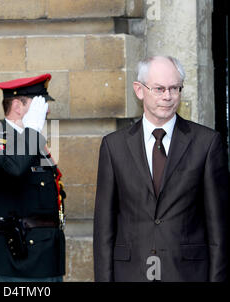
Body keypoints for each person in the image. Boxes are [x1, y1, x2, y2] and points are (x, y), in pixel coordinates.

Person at [93, 55, 229, 282]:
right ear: (139, 90)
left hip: (187, 274)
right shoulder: (113, 147)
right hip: (131, 273)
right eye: (159, 89)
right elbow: (104, 229)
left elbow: (219, 230)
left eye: (174, 88)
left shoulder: (206, 144)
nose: (168, 96)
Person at [0, 74, 66, 282]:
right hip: (20, 258)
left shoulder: (35, 142)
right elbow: (15, 168)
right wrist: (32, 130)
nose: (46, 110)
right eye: (39, 104)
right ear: (18, 106)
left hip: (48, 256)